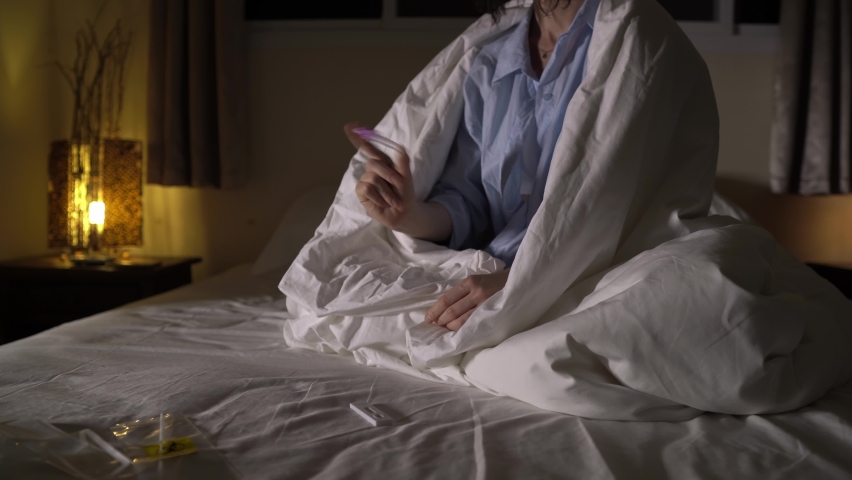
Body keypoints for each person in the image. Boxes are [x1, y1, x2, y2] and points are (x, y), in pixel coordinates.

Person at [343, 0, 598, 332]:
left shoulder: (621, 44)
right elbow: (470, 200)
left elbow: (626, 213)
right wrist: (408, 216)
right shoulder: (490, 62)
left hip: (586, 275)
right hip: (491, 273)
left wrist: (523, 281)